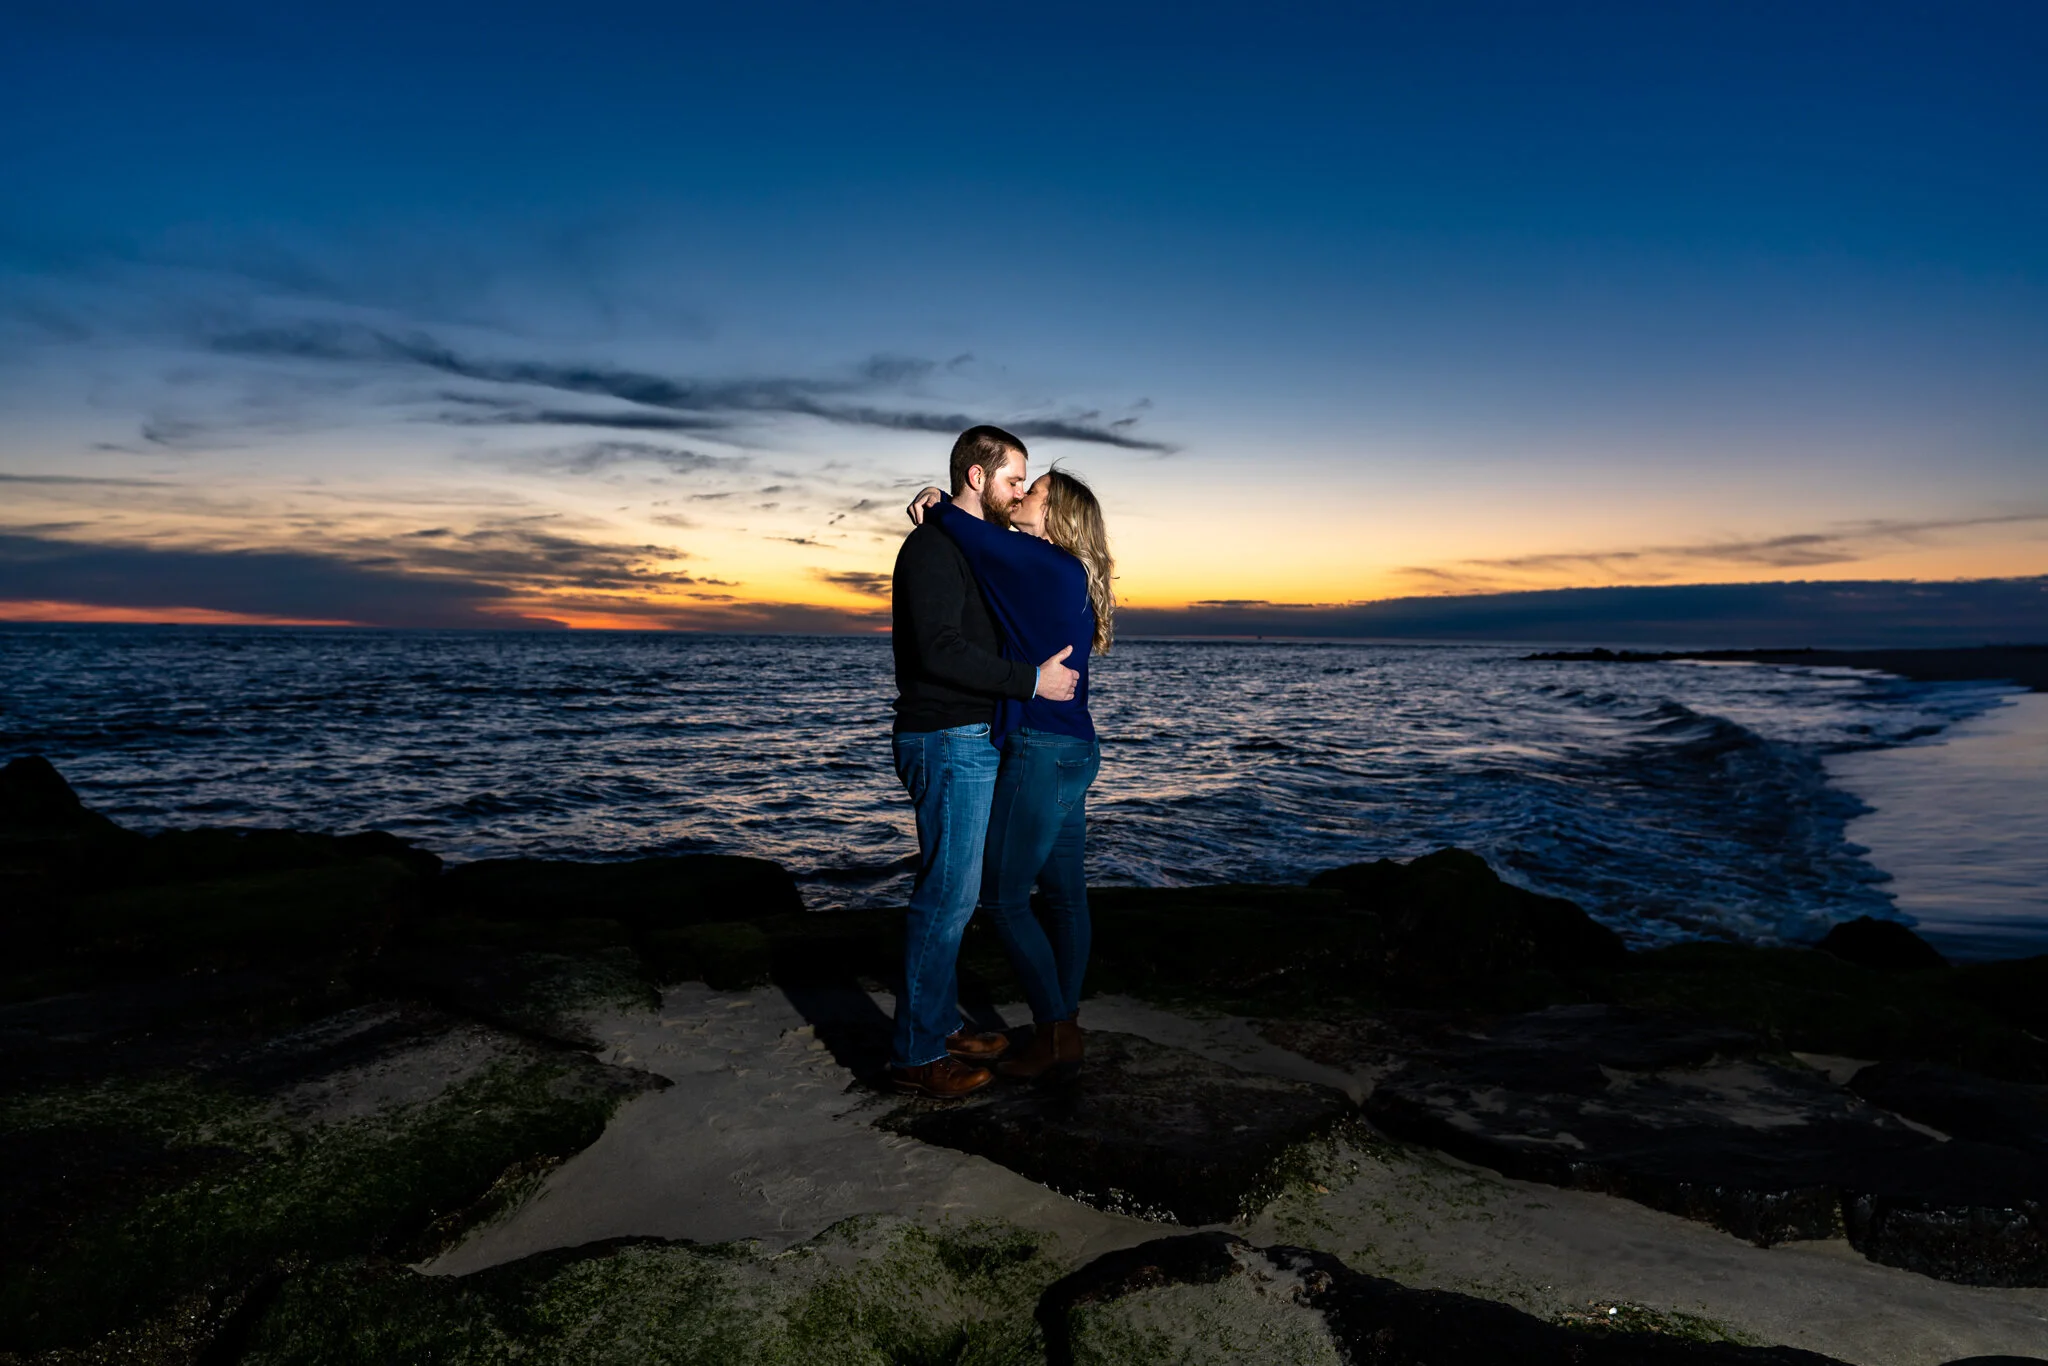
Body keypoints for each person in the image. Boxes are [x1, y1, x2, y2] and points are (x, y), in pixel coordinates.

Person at [887, 426, 1080, 1098]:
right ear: (978, 476)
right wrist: (1030, 682)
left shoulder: (970, 543)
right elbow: (938, 649)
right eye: (1013, 479)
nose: (1020, 491)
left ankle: (939, 1025)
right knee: (947, 897)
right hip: (945, 735)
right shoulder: (932, 547)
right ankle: (915, 1056)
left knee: (958, 895)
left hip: (971, 735)